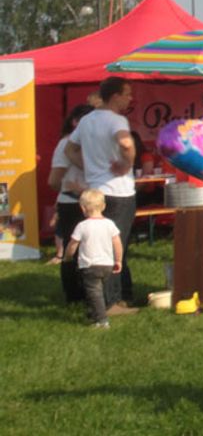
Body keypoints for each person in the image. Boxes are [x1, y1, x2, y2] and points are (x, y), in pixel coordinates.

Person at [65, 76, 138, 314]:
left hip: (96, 189)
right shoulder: (116, 120)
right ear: (115, 96)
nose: (130, 98)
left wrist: (88, 167)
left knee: (103, 245)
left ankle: (120, 295)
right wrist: (128, 163)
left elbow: (69, 149)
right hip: (119, 191)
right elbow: (126, 144)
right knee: (116, 245)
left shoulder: (87, 120)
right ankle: (111, 302)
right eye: (127, 93)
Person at [49, 104, 95, 302]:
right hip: (72, 203)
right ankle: (74, 294)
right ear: (75, 122)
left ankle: (90, 291)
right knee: (73, 249)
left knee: (92, 249)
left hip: (93, 202)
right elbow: (53, 181)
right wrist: (72, 187)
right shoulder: (65, 145)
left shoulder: (94, 143)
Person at [64, 189, 123, 328]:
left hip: (90, 265)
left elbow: (73, 244)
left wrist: (67, 256)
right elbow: (118, 243)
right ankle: (95, 315)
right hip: (107, 264)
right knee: (98, 291)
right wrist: (118, 260)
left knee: (94, 292)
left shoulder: (82, 226)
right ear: (103, 206)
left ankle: (102, 320)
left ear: (83, 208)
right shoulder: (109, 224)